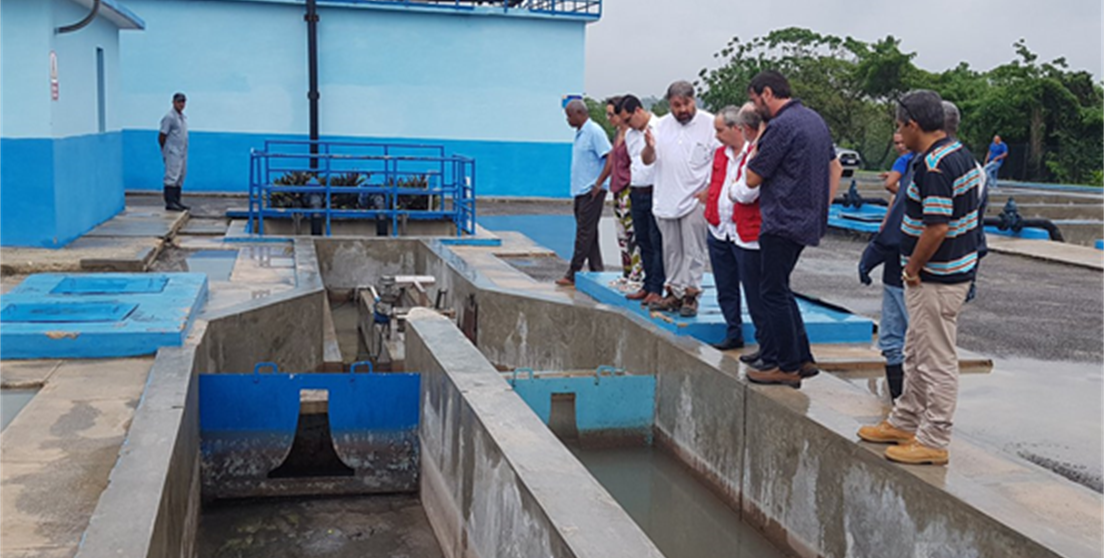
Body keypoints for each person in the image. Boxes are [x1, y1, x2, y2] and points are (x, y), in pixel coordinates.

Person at [857, 90, 982, 466]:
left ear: (913, 125)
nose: (898, 134)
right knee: (915, 351)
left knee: (936, 360)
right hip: (940, 275)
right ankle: (906, 418)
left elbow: (937, 227)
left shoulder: (935, 167)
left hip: (936, 278)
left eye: (899, 126)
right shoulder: (955, 156)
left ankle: (934, 437)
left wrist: (911, 268)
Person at [743, 70, 842, 388]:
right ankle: (802, 356)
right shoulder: (813, 119)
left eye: (755, 99)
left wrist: (758, 142)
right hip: (805, 217)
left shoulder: (781, 126)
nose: (754, 106)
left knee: (771, 291)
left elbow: (752, 178)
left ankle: (786, 365)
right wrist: (821, 208)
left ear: (767, 93)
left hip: (782, 219)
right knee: (781, 289)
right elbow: (834, 165)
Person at [641, 81, 715, 317]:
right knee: (671, 250)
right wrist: (649, 148)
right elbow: (647, 160)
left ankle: (691, 295)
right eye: (676, 105)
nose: (682, 109)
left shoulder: (710, 124)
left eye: (686, 103)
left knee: (693, 249)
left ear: (694, 100)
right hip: (666, 197)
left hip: (695, 197)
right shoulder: (660, 126)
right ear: (669, 105)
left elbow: (720, 158)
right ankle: (673, 292)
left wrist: (710, 189)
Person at [727, 103, 769, 365]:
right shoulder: (753, 150)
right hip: (744, 230)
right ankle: (765, 347)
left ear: (746, 128)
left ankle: (768, 348)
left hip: (754, 233)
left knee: (759, 297)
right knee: (756, 297)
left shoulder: (758, 152)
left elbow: (747, 191)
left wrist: (733, 190)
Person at [704, 105, 747, 350]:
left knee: (754, 287)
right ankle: (733, 331)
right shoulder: (720, 154)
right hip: (719, 229)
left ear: (736, 128)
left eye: (720, 130)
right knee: (725, 285)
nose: (717, 135)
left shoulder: (752, 154)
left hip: (743, 232)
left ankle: (766, 341)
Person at [556, 99, 610, 287]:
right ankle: (597, 270)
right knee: (590, 233)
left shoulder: (594, 132)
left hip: (591, 191)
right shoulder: (580, 133)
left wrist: (598, 183)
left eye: (569, 116)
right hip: (580, 191)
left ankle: (573, 273)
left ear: (579, 113)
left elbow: (609, 157)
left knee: (583, 234)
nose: (568, 120)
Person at [594, 96, 644, 288]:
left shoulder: (633, 135)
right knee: (621, 233)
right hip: (617, 188)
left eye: (611, 114)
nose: (609, 118)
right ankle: (626, 271)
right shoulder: (618, 134)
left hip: (629, 189)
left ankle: (637, 274)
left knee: (633, 233)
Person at [619, 95, 664, 305]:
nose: (627, 125)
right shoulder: (630, 135)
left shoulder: (661, 127)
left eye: (628, 120)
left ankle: (657, 286)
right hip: (636, 191)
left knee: (657, 242)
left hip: (655, 190)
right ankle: (647, 285)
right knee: (642, 240)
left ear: (638, 111)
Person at [159, 92, 190, 212]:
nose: (181, 104)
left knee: (180, 176)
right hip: (173, 152)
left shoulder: (182, 117)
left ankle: (177, 201)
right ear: (173, 102)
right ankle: (170, 202)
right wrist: (165, 150)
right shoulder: (169, 117)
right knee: (171, 177)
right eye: (179, 102)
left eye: (183, 102)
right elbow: (162, 135)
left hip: (182, 152)